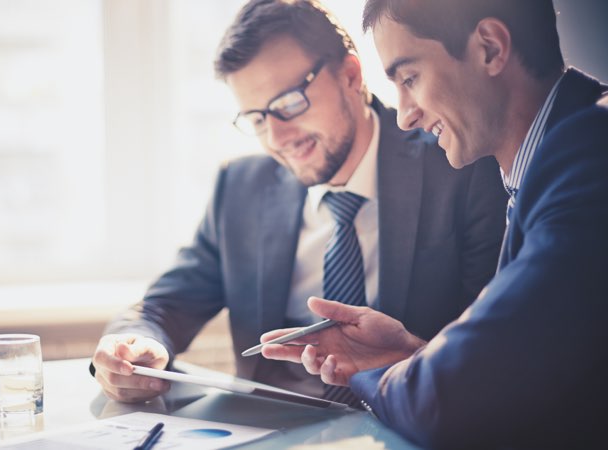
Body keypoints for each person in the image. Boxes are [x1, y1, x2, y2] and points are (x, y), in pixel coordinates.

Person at [90, 0, 506, 405]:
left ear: (350, 76)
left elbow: (492, 355)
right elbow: (164, 306)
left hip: (405, 425)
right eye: (256, 118)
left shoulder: (459, 167)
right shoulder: (240, 188)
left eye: (289, 103)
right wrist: (132, 346)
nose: (276, 137)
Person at [259, 0, 608, 448]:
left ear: (489, 48)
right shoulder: (550, 161)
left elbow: (447, 401)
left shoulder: (589, 158)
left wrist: (378, 373)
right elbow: (527, 374)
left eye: (410, 78)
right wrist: (411, 355)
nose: (405, 115)